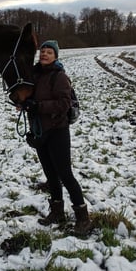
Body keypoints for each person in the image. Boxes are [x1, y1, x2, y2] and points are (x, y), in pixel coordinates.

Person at [19, 40, 92, 235]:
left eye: (49, 52)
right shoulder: (34, 75)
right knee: (51, 176)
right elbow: (28, 96)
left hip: (57, 131)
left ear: (56, 56)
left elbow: (63, 104)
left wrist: (38, 107)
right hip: (40, 131)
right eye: (42, 51)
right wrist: (23, 103)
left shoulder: (59, 77)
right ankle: (57, 212)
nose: (44, 54)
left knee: (65, 175)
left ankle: (83, 218)